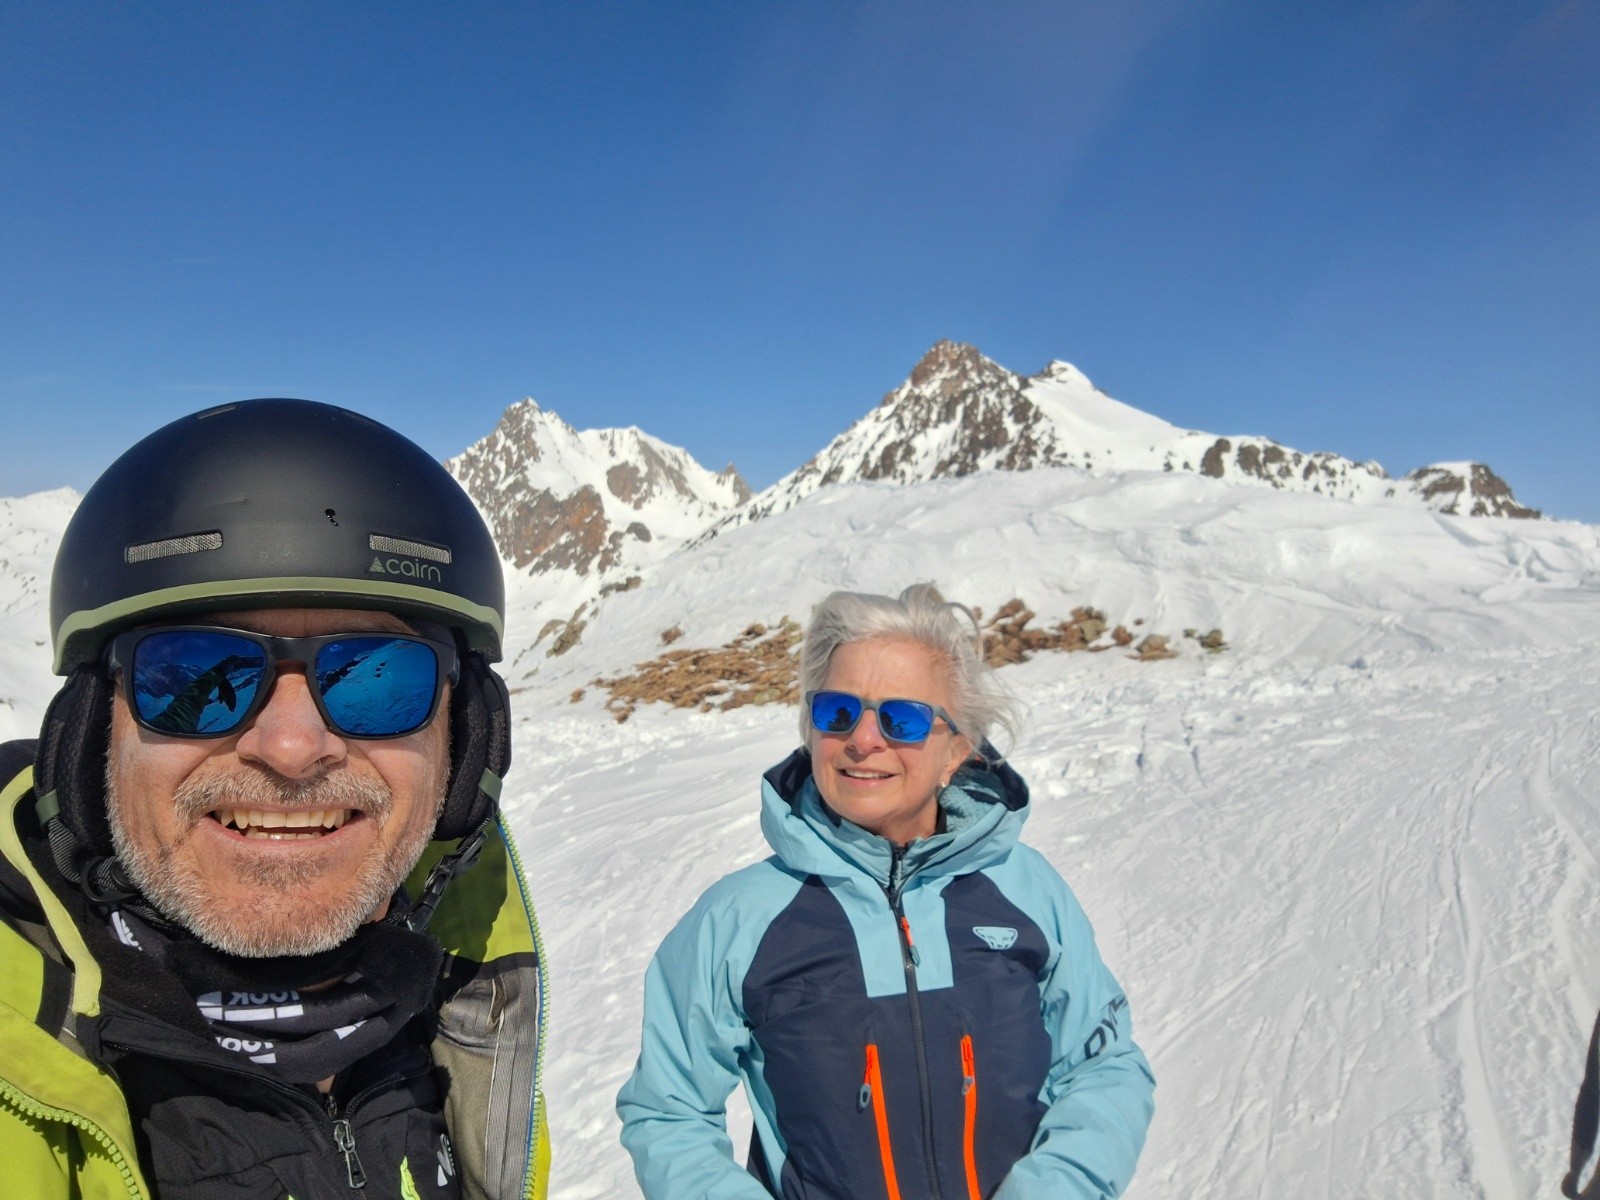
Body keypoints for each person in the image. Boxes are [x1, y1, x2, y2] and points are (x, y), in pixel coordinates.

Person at [0, 399, 549, 1198]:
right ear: (91, 738)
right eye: (193, 674)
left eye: (377, 678)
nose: (292, 749)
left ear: (462, 749)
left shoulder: (468, 1019)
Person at [617, 584, 1154, 1199]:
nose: (862, 739)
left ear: (956, 750)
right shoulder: (740, 919)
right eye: (837, 711)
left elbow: (1104, 1068)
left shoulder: (1027, 892)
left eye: (901, 718)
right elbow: (669, 1112)